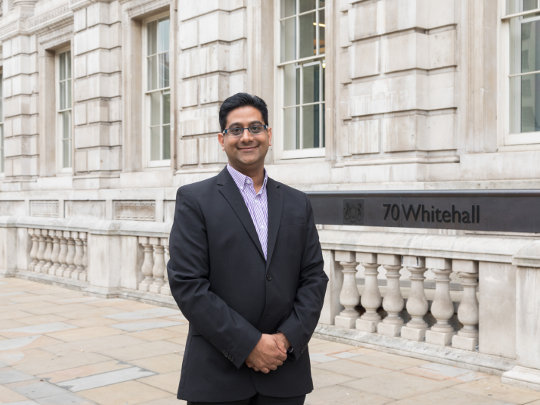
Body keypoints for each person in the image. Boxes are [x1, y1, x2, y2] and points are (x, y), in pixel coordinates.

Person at [167, 93, 328, 405]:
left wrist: (285, 340)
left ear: (268, 135)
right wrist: (250, 344)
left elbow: (314, 279)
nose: (246, 137)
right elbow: (188, 286)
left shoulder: (297, 202)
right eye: (236, 130)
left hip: (285, 371)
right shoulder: (194, 200)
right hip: (218, 374)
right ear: (221, 139)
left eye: (255, 127)